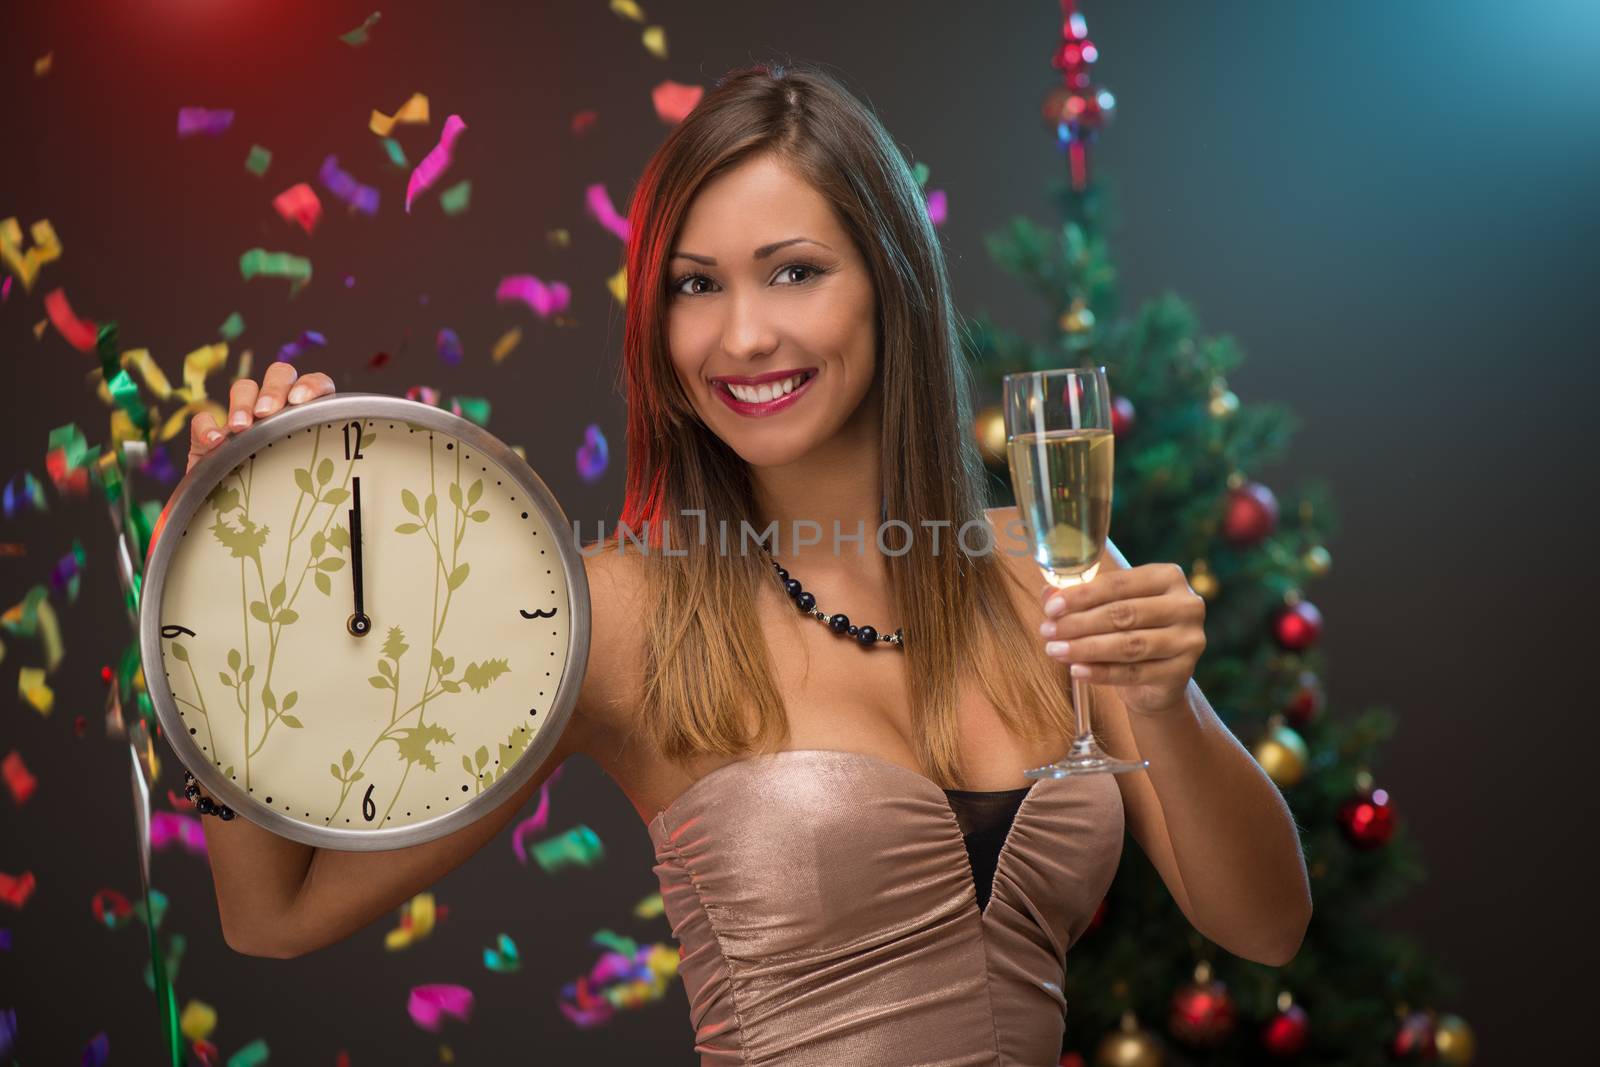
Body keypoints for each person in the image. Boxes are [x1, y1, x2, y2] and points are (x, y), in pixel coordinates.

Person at [178, 60, 1310, 1066]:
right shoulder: (615, 612)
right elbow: (275, 912)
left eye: (792, 271)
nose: (743, 336)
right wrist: (221, 573)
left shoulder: (1047, 564)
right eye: (695, 283)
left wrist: (1162, 705)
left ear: (891, 283)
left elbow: (1263, 925)